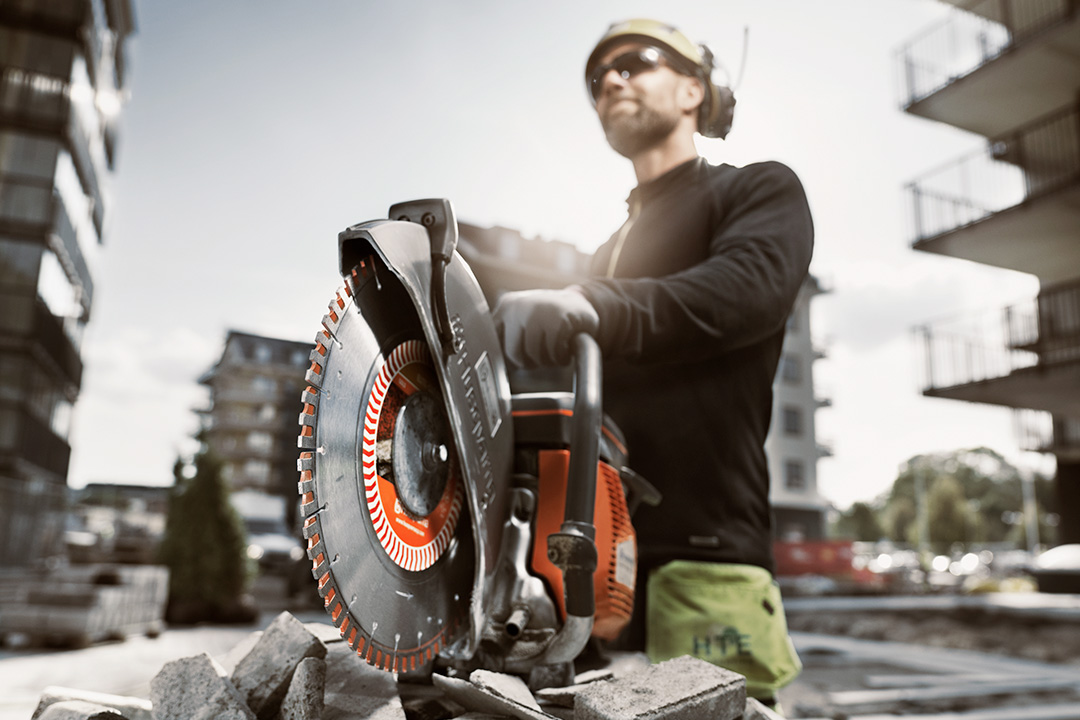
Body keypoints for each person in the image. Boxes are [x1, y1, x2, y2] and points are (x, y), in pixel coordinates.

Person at [493, 18, 813, 705]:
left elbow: (742, 294)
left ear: (695, 89)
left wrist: (593, 306)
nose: (610, 80)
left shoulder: (755, 192)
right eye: (596, 78)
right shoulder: (606, 254)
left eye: (634, 62)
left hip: (704, 553)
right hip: (584, 555)